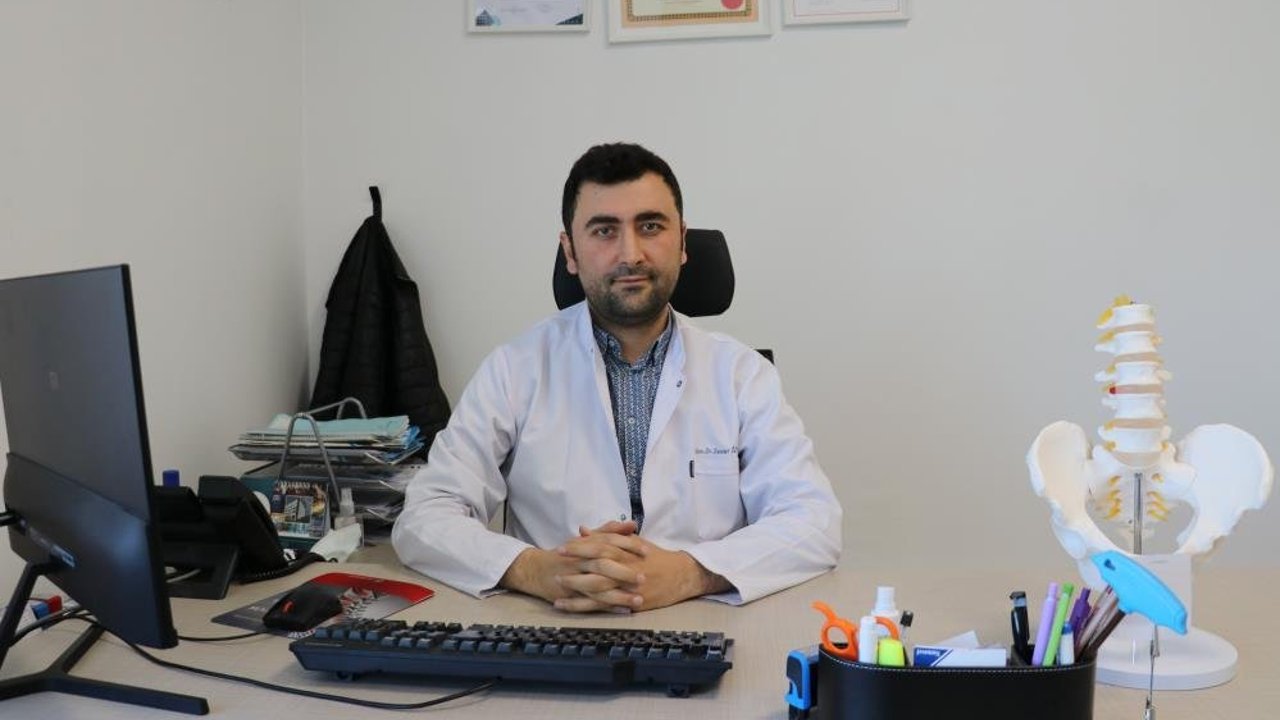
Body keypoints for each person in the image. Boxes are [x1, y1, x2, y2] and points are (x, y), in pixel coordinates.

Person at [392, 142, 841, 612]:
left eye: (650, 226)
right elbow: (424, 516)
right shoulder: (515, 369)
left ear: (682, 243)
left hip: (704, 622)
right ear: (570, 251)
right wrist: (534, 569)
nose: (631, 253)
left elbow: (815, 522)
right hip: (552, 625)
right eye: (604, 230)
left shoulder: (742, 375)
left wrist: (691, 572)